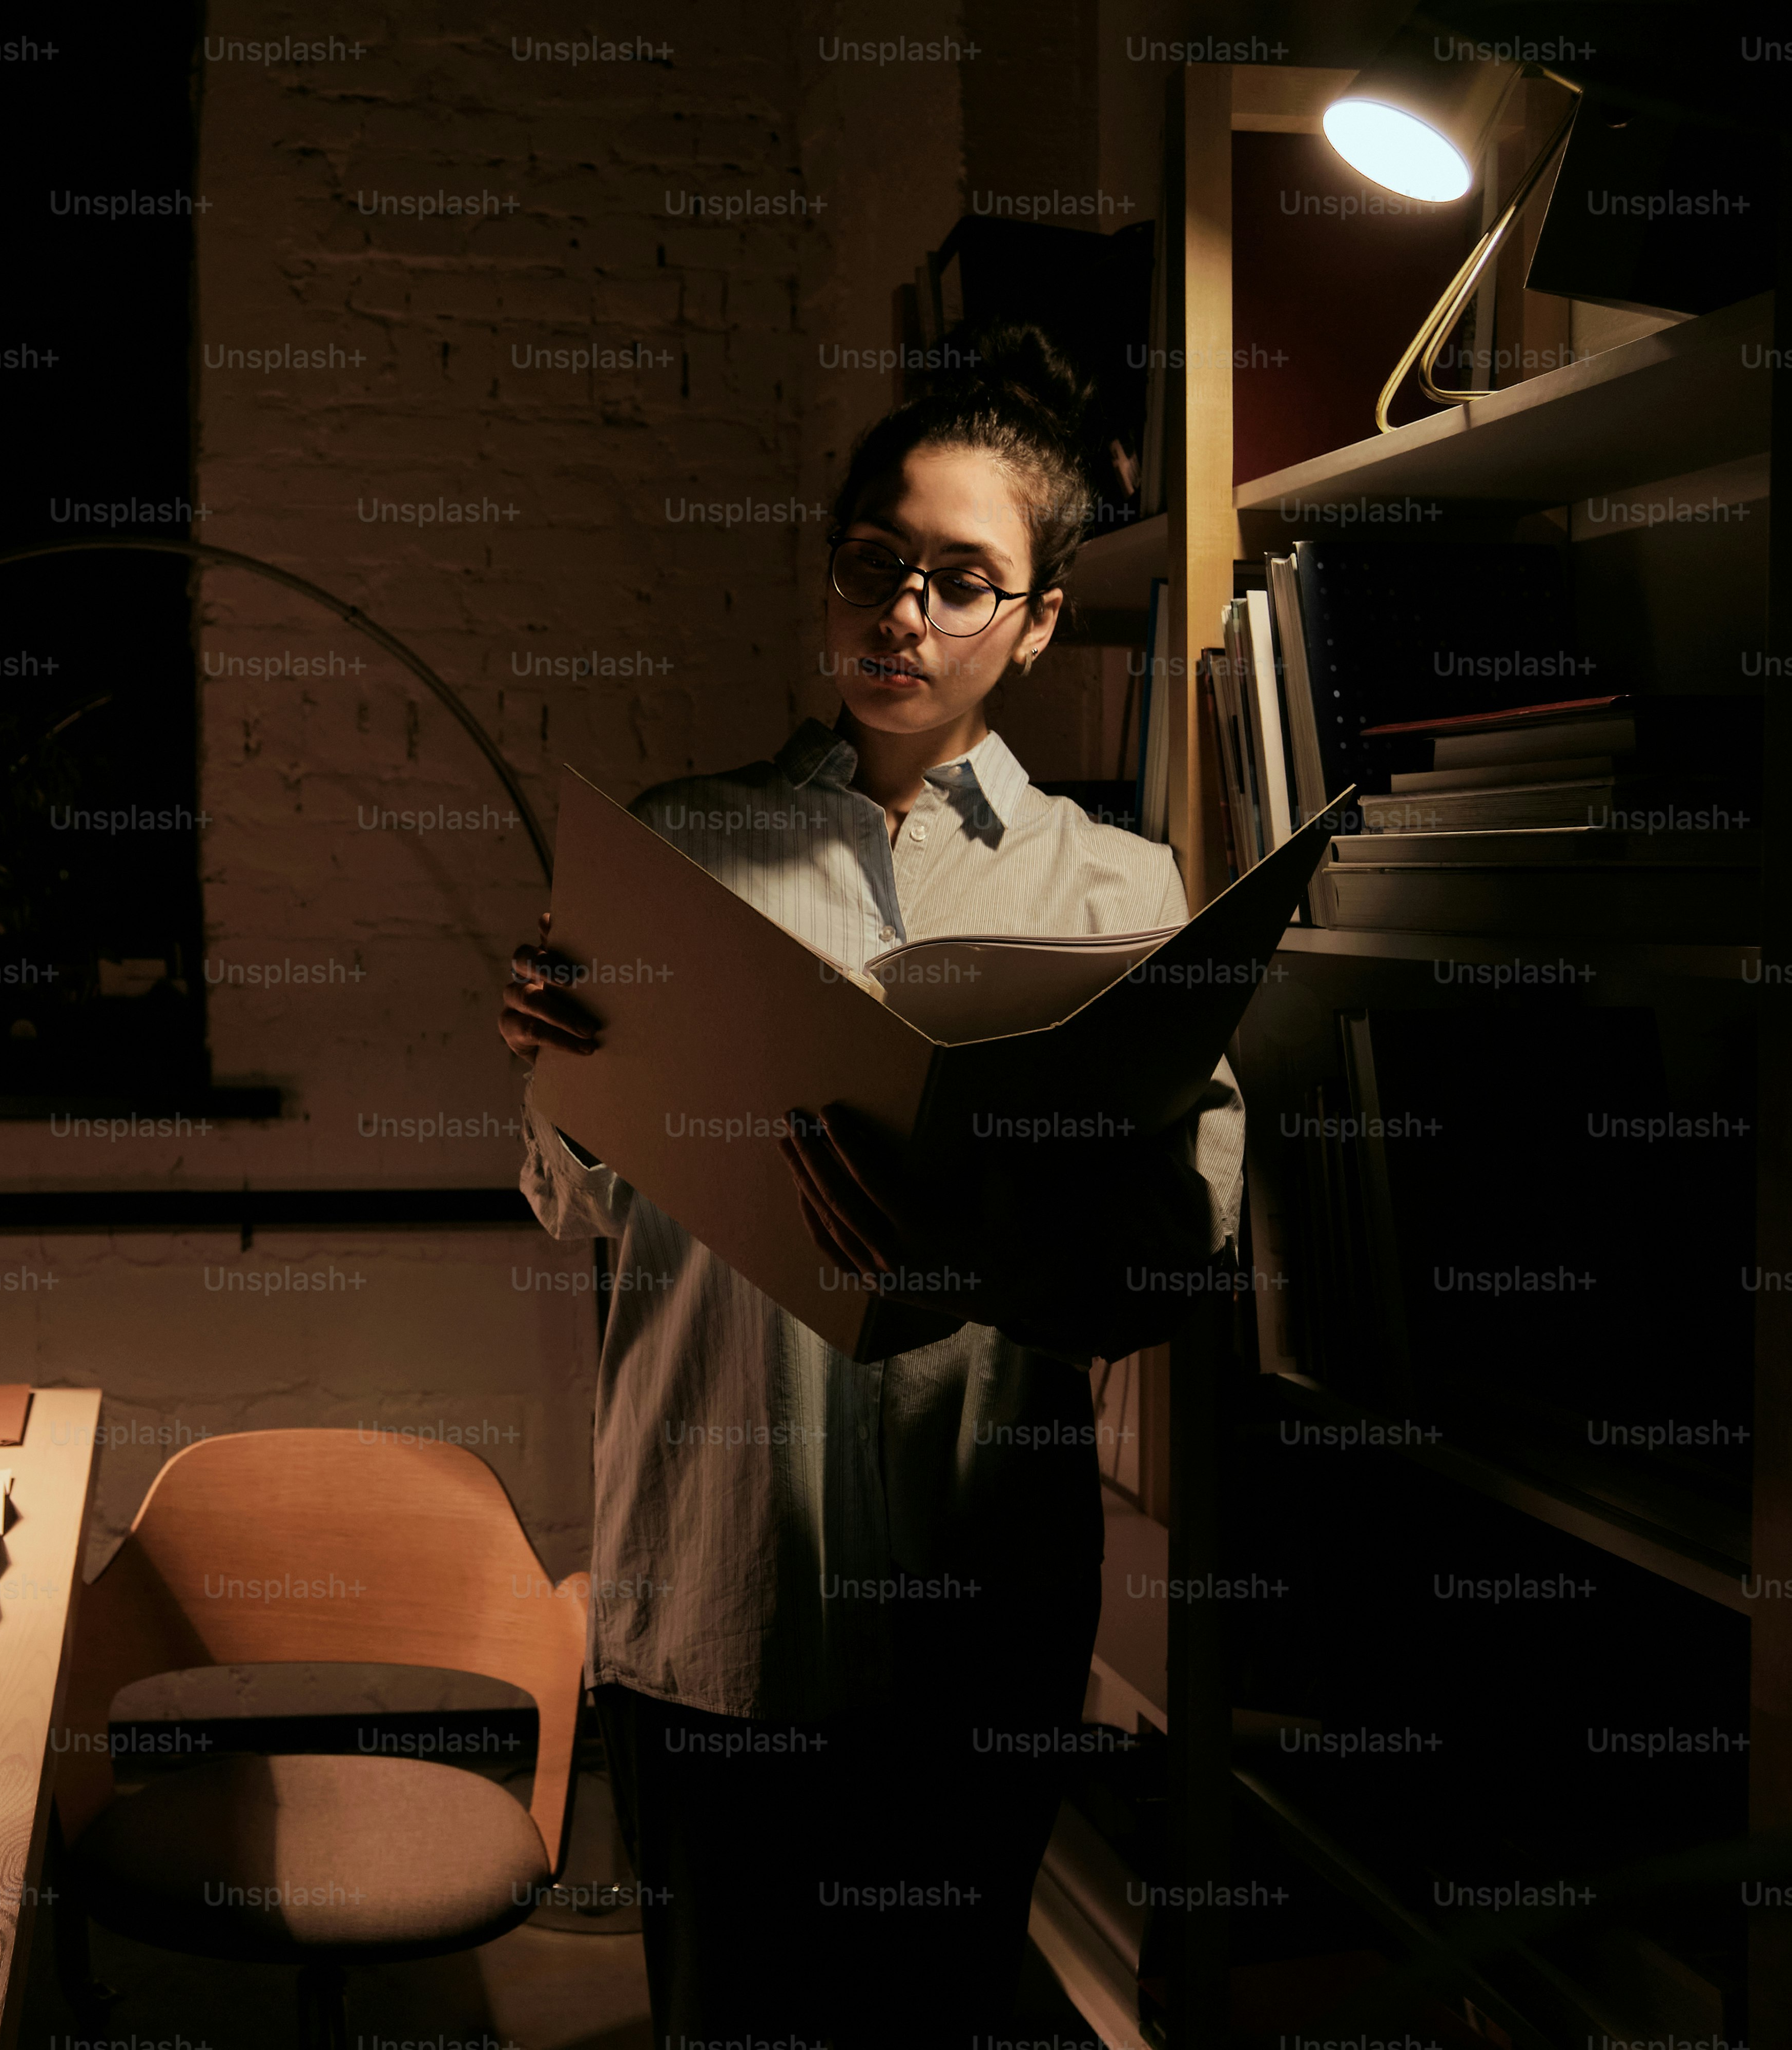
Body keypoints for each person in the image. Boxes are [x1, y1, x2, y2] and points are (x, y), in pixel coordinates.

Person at [499, 326, 1245, 2042]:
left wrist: (981, 1240)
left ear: (1042, 620)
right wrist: (562, 1075)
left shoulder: (1120, 886)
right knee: (727, 2018)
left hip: (983, 1603)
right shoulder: (677, 846)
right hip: (712, 1588)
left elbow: (1182, 1241)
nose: (903, 613)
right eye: (874, 564)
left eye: (963, 581)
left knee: (939, 2012)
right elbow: (573, 1203)